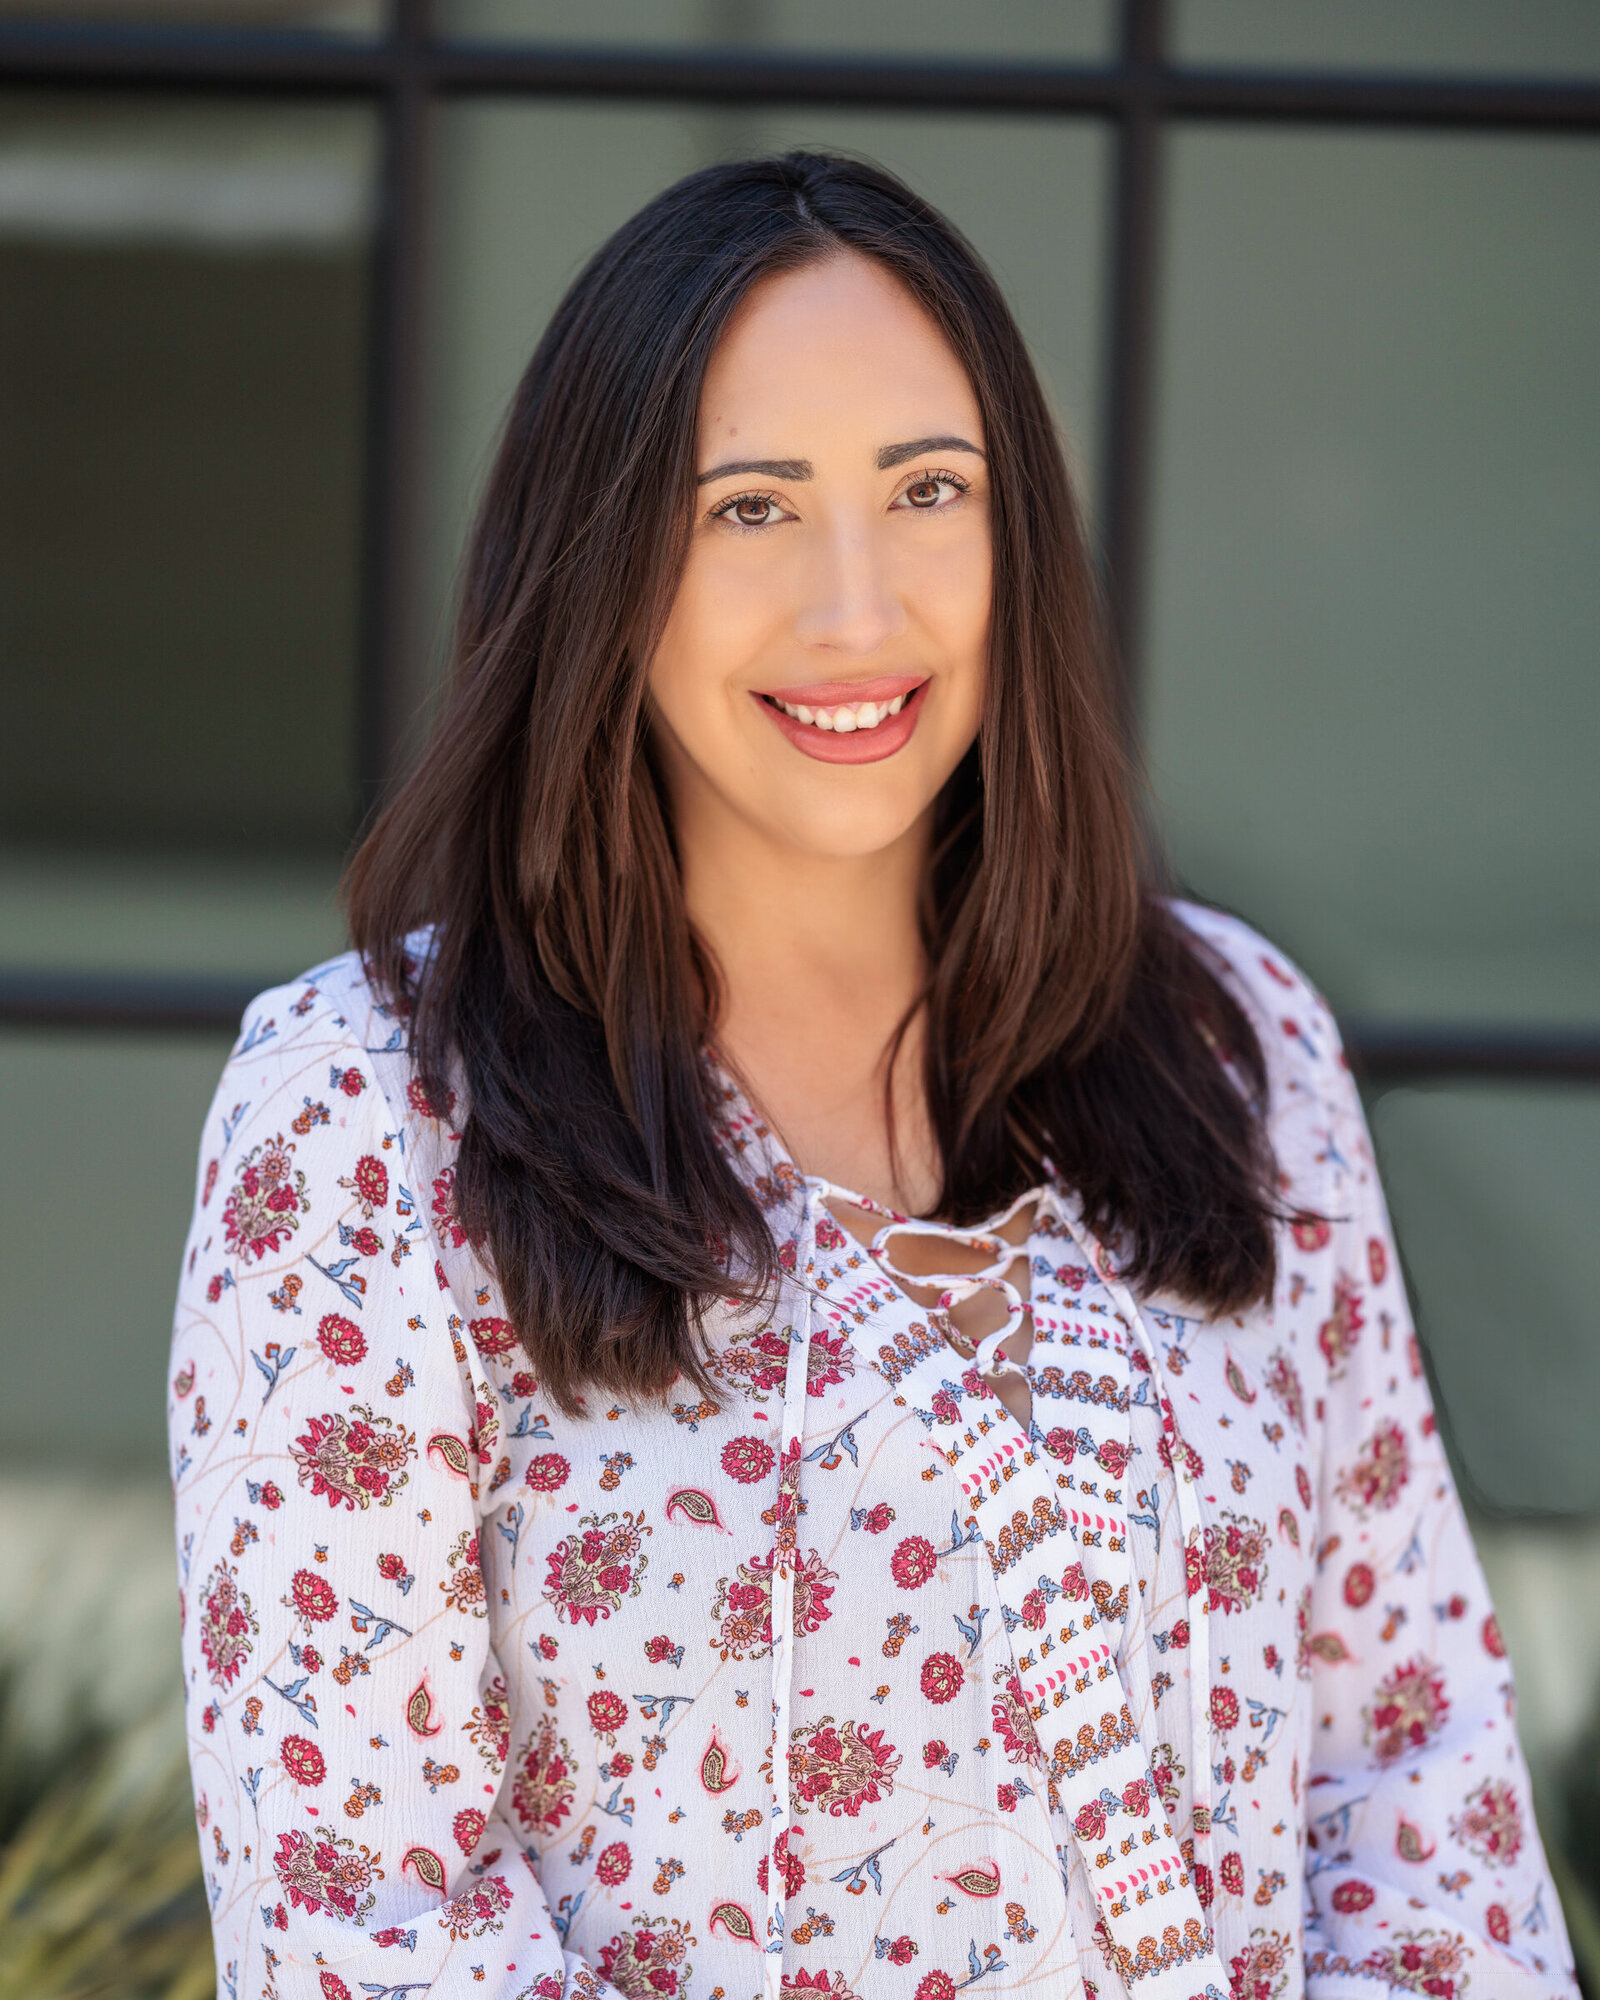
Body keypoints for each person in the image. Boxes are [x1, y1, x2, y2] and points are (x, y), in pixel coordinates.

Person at [169, 153, 1576, 2000]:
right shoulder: (368, 1122)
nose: (858, 612)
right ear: (602, 565)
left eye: (930, 490)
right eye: (749, 509)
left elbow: (1415, 1778)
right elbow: (372, 1912)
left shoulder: (1236, 1052)